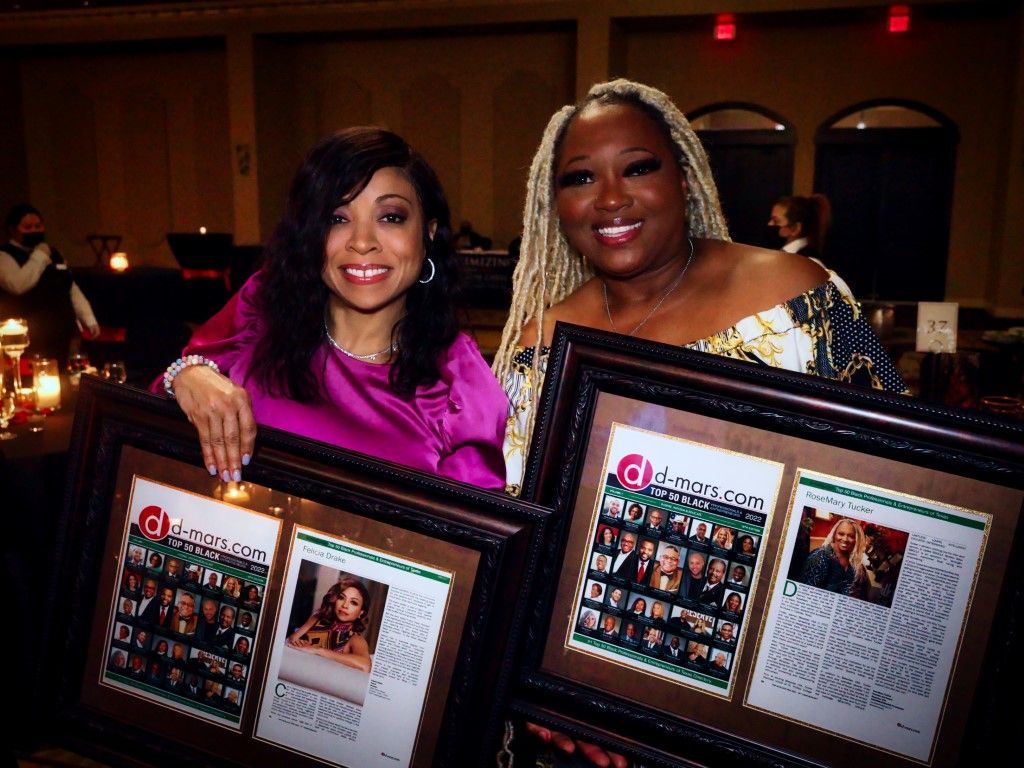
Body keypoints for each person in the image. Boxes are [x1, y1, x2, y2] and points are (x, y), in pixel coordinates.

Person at [495, 79, 906, 494]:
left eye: (637, 169)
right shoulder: (542, 348)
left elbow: (903, 470)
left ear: (684, 181)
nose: (611, 198)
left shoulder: (796, 299)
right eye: (581, 178)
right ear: (556, 205)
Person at [156, 128, 506, 490]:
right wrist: (188, 377)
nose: (362, 242)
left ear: (429, 232)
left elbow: (472, 537)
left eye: (390, 217)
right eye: (337, 218)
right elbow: (149, 435)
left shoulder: (457, 379)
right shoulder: (262, 308)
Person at [0, 203, 99, 362]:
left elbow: (71, 288)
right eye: (27, 227)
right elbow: (18, 285)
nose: (34, 230)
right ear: (13, 230)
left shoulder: (54, 253)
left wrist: (88, 319)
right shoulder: (4, 256)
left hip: (64, 333)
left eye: (38, 226)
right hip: (32, 339)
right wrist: (38, 257)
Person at [287, 576, 373, 672]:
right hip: (296, 668)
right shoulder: (317, 618)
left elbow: (365, 666)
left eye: (353, 602)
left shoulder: (355, 639)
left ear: (361, 613)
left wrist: (318, 651)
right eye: (341, 598)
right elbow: (291, 640)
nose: (345, 605)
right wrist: (299, 643)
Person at [800, 518, 866, 596]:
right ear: (834, 534)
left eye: (851, 536)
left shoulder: (853, 560)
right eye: (841, 534)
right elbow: (806, 593)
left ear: (856, 540)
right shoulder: (819, 558)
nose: (845, 539)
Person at [768, 194, 831, 267]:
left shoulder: (809, 264)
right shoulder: (782, 253)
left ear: (795, 228)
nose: (769, 224)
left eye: (776, 221)